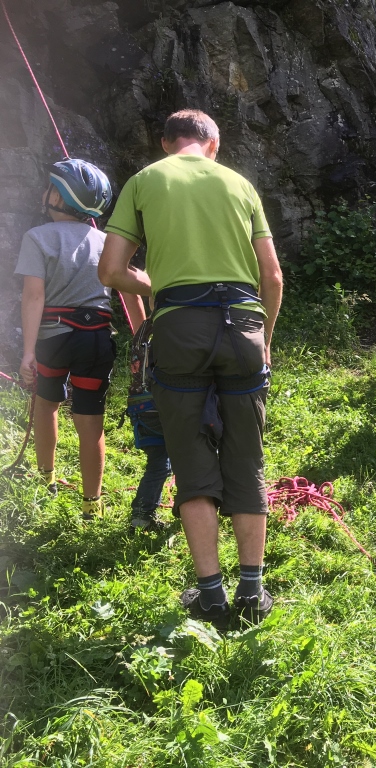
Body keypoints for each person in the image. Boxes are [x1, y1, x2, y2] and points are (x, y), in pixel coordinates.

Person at [98, 109, 283, 629]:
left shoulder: (144, 181)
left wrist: (154, 284)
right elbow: (272, 276)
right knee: (247, 458)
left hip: (179, 328)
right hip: (244, 326)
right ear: (213, 144)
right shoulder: (240, 185)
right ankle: (253, 591)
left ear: (166, 143)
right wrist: (265, 340)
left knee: (191, 460)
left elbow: (110, 270)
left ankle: (211, 596)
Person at [15, 159, 139, 520]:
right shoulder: (107, 242)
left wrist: (28, 353)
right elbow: (130, 292)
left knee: (46, 404)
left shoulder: (37, 237)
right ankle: (91, 504)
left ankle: (46, 479)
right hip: (95, 341)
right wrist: (143, 341)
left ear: (57, 197)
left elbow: (33, 296)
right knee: (90, 418)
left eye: (50, 187)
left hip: (53, 339)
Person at [125, 305, 172, 533]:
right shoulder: (176, 330)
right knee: (181, 461)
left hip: (142, 409)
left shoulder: (145, 330)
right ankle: (144, 514)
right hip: (164, 409)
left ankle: (142, 515)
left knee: (159, 464)